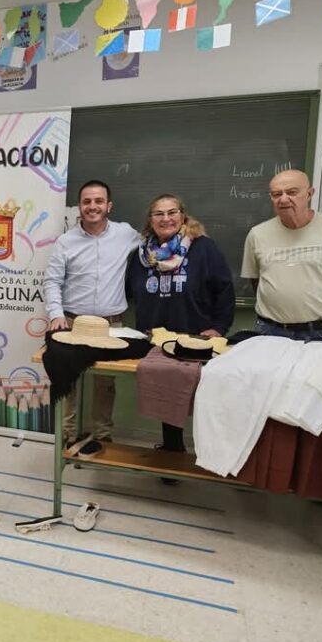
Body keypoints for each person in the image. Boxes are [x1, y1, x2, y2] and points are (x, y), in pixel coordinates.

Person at [126, 193, 235, 457]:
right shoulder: (140, 255)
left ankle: (217, 456)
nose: (166, 219)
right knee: (168, 394)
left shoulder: (202, 248)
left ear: (182, 215)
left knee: (204, 397)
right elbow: (130, 290)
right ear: (150, 221)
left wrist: (219, 327)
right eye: (158, 214)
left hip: (195, 337)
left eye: (172, 212)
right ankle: (173, 450)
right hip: (155, 337)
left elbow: (224, 289)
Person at [43, 180, 140, 451]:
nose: (92, 206)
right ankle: (68, 434)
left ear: (109, 205)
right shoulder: (66, 241)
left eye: (98, 201)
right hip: (73, 322)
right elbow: (52, 280)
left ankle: (102, 435)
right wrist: (56, 314)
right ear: (80, 207)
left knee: (105, 382)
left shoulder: (126, 235)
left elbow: (156, 243)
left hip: (112, 324)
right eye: (87, 202)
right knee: (68, 381)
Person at [242, 169, 322, 342]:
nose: (283, 199)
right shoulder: (257, 234)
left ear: (310, 194)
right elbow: (256, 280)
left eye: (292, 192)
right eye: (276, 194)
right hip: (269, 330)